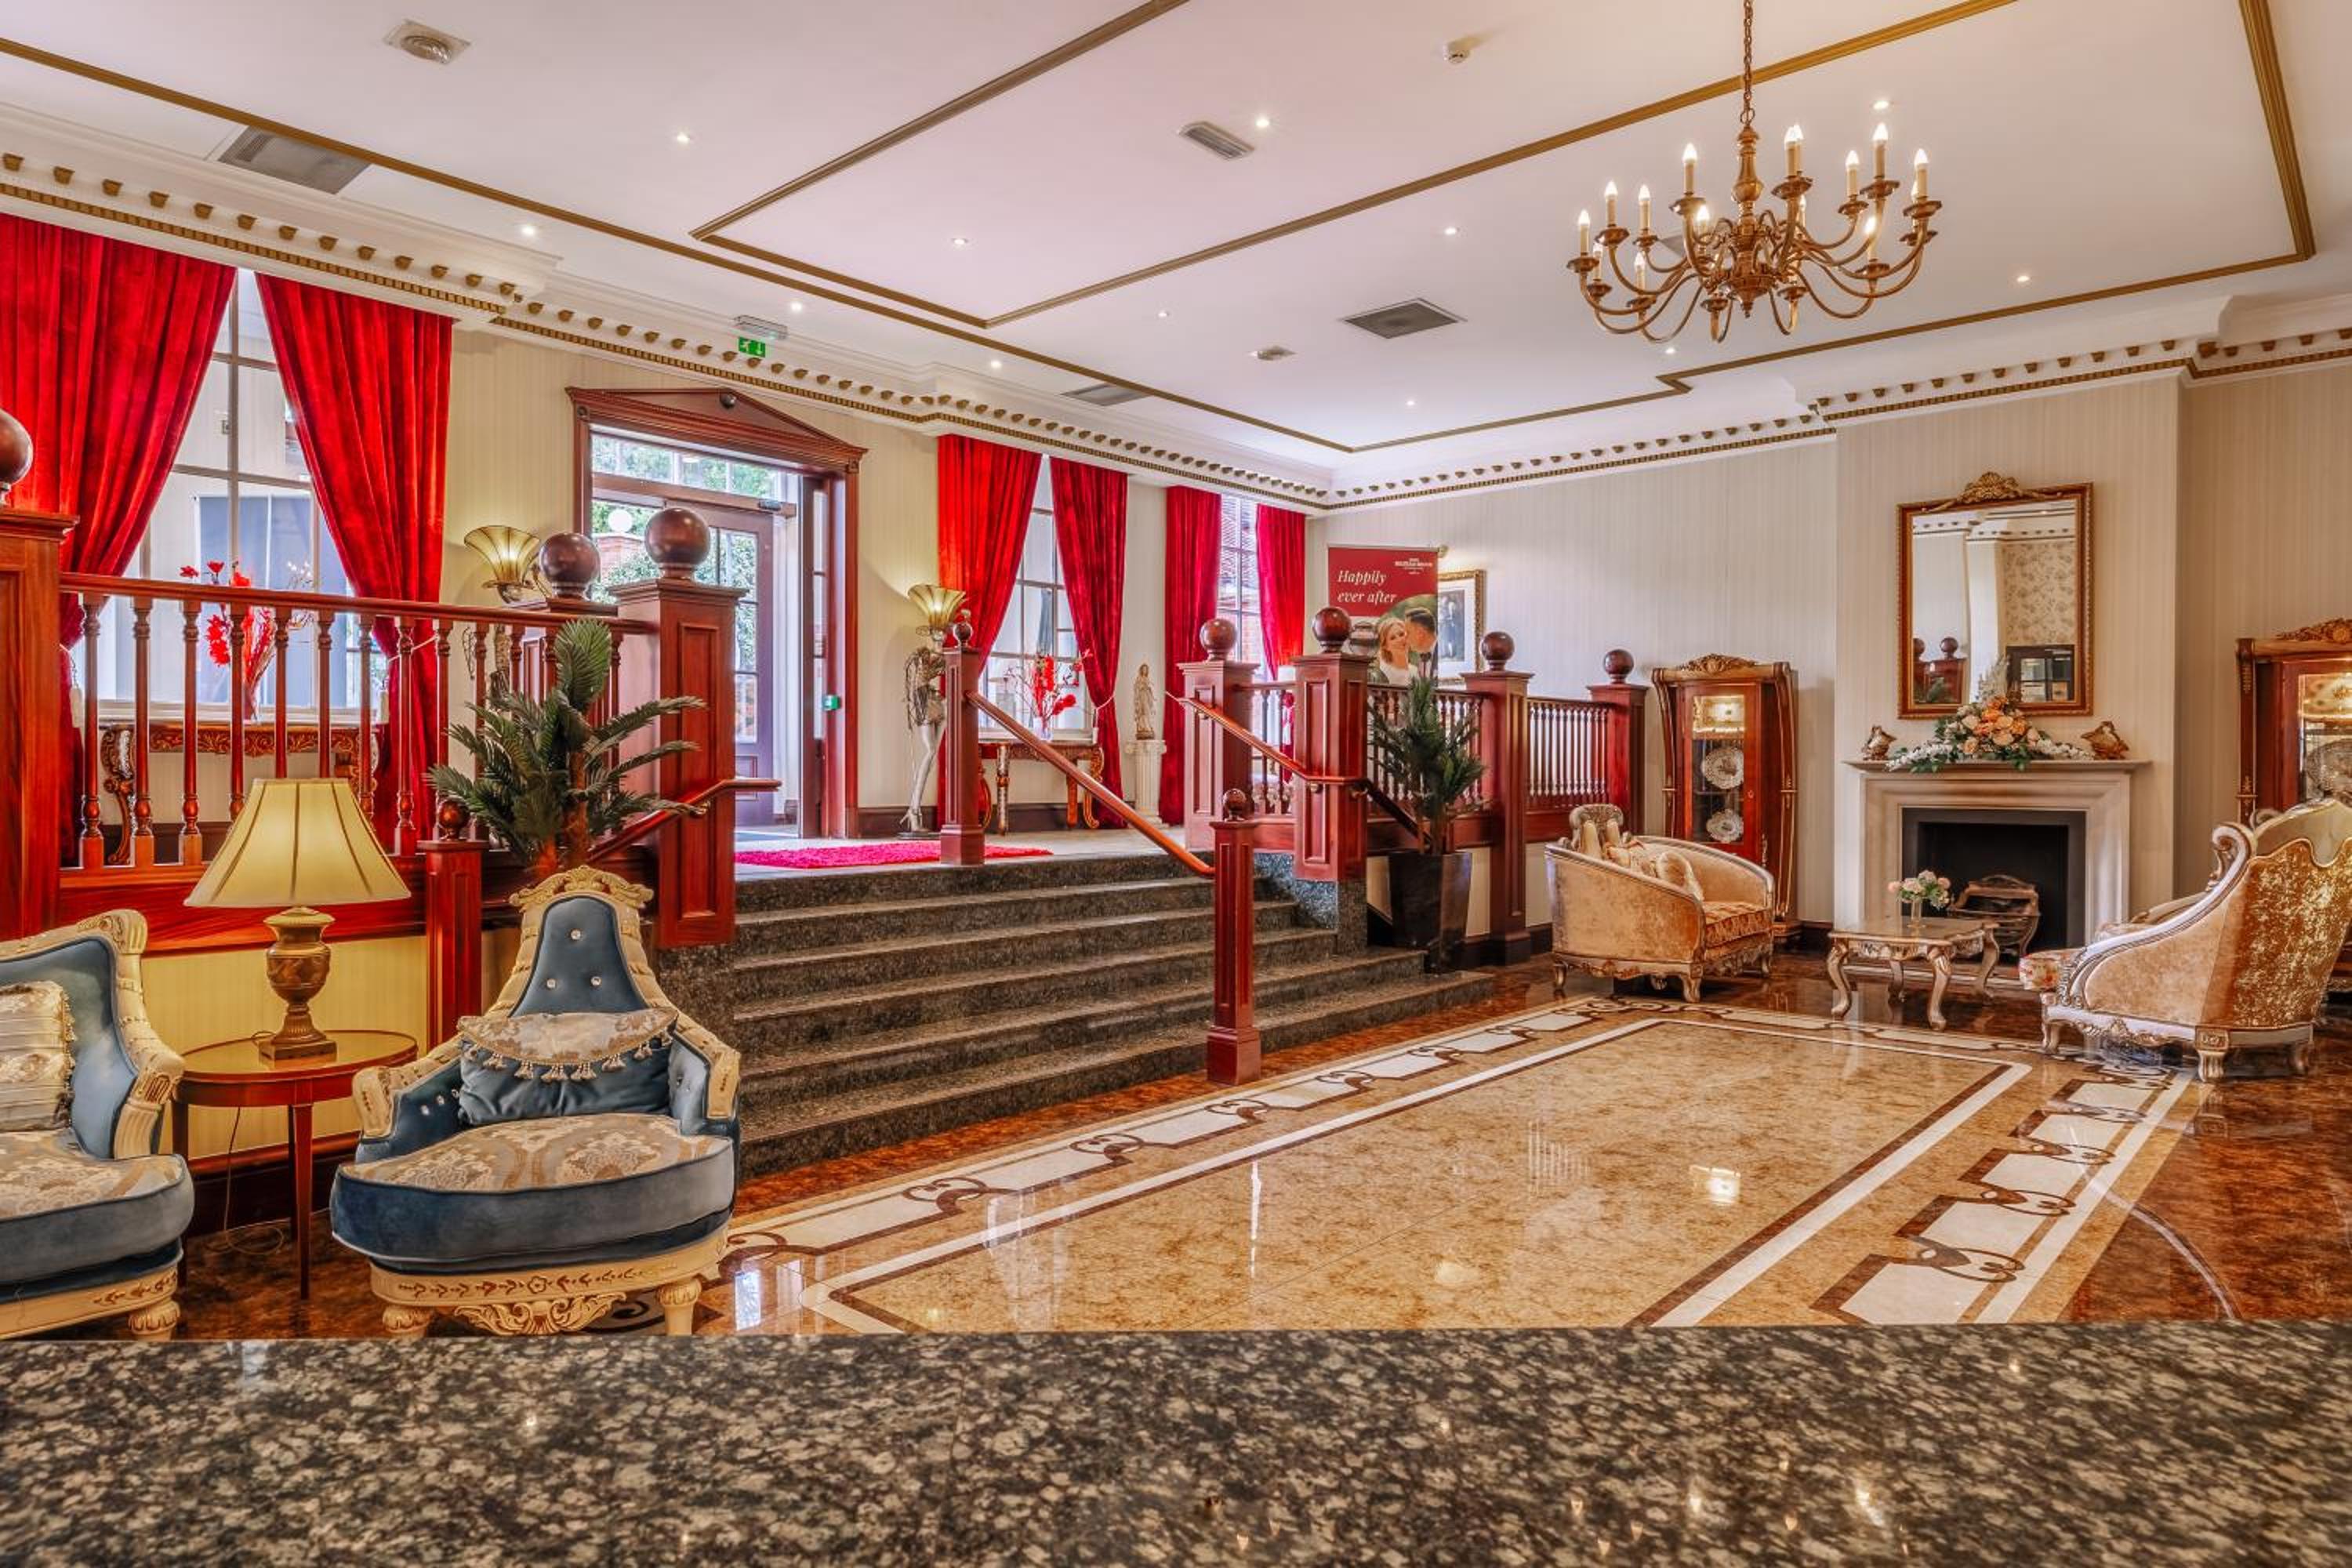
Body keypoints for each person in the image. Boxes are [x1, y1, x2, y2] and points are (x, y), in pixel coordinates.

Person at [1373, 615, 1414, 685]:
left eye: (1401, 634)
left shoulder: (1415, 671)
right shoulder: (1384, 673)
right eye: (1393, 638)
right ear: (1386, 647)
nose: (1399, 640)